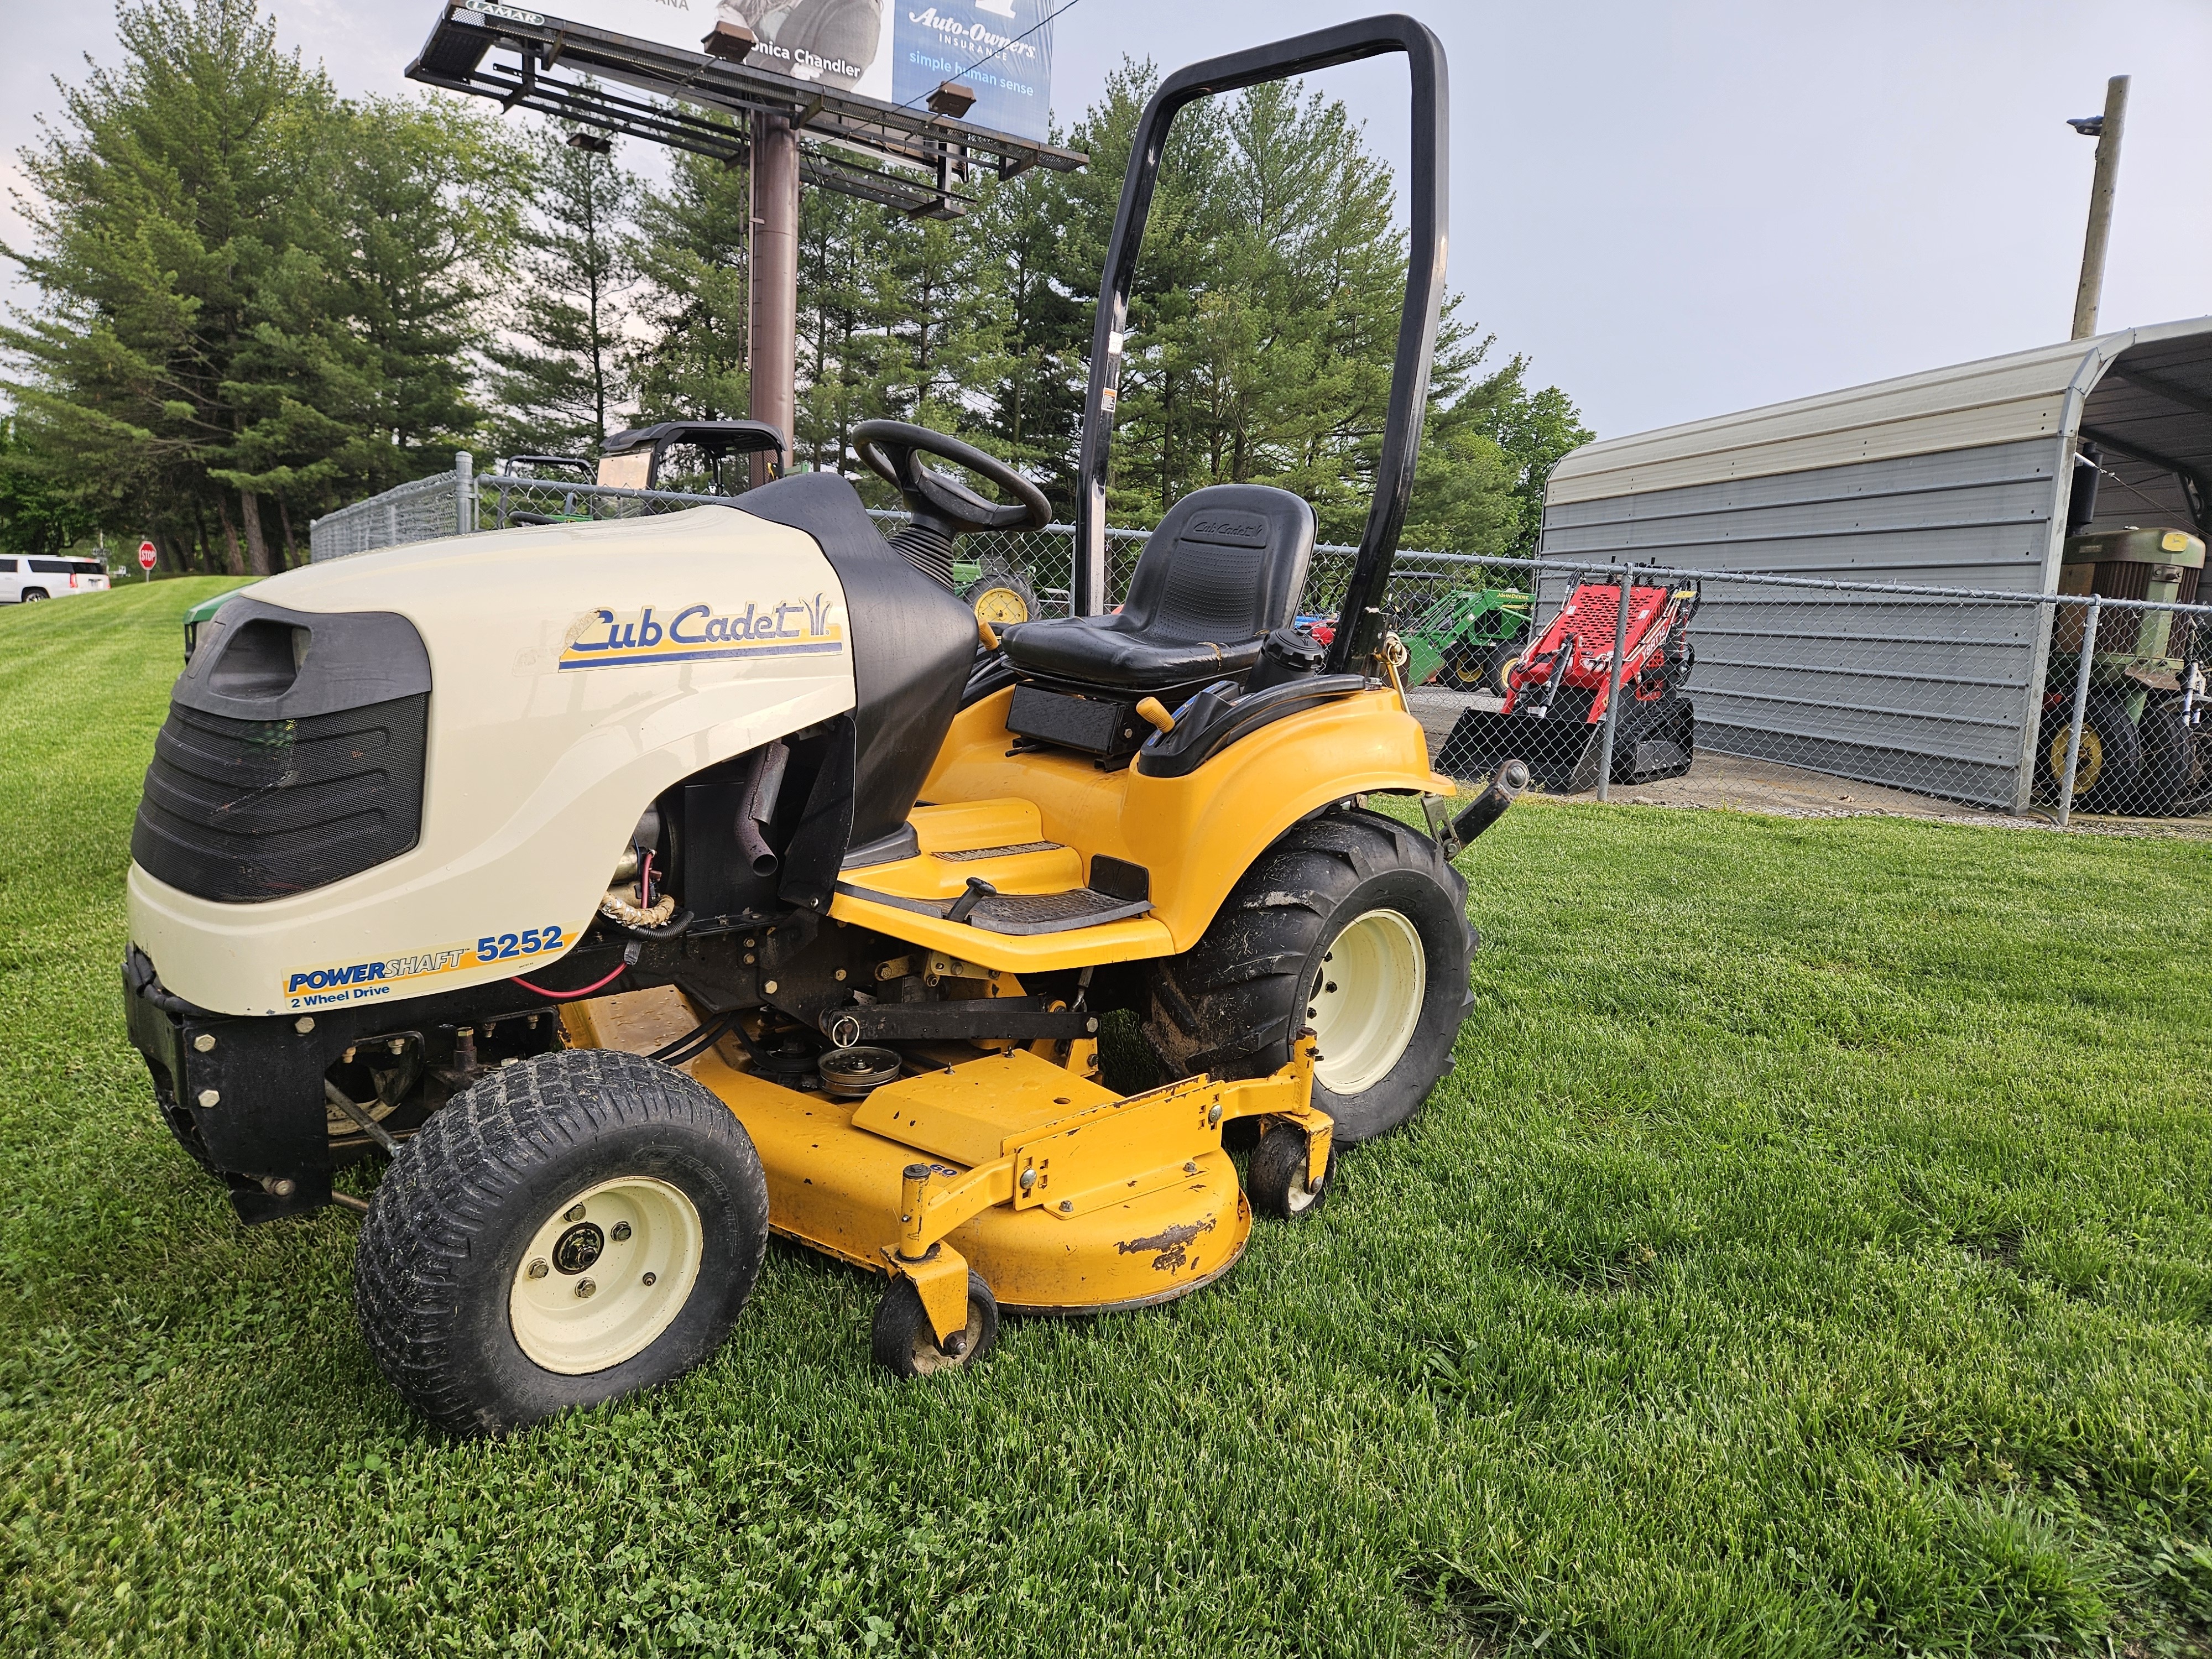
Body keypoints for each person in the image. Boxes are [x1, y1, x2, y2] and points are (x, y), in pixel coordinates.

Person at [718, 0, 881, 89]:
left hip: (794, 138)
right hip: (738, 115)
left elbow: (813, 97)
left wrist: (748, 45)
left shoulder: (859, 10)